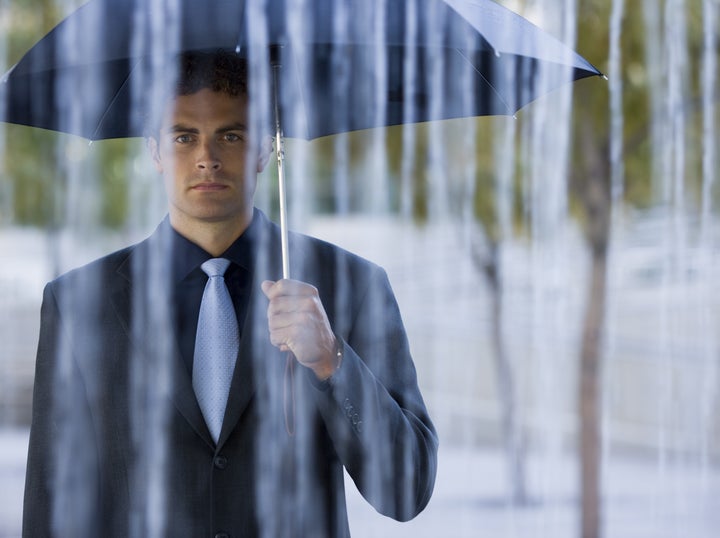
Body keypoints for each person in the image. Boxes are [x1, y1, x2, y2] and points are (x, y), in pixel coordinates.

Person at [22, 51, 438, 537]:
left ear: (264, 149)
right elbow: (51, 507)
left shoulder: (353, 285)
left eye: (231, 135)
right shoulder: (76, 304)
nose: (207, 157)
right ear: (154, 152)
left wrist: (333, 363)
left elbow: (408, 490)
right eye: (184, 137)